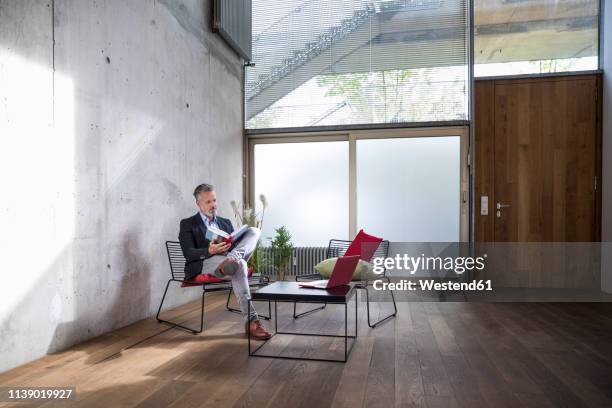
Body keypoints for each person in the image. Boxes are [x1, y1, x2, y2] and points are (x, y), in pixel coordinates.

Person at [178, 183, 271, 340]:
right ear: (198, 204)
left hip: (227, 258)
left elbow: (235, 241)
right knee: (241, 264)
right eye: (208, 202)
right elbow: (188, 253)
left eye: (214, 200)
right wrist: (209, 250)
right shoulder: (188, 223)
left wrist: (231, 245)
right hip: (205, 264)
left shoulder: (225, 222)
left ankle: (233, 257)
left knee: (254, 231)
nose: (213, 205)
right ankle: (252, 321)